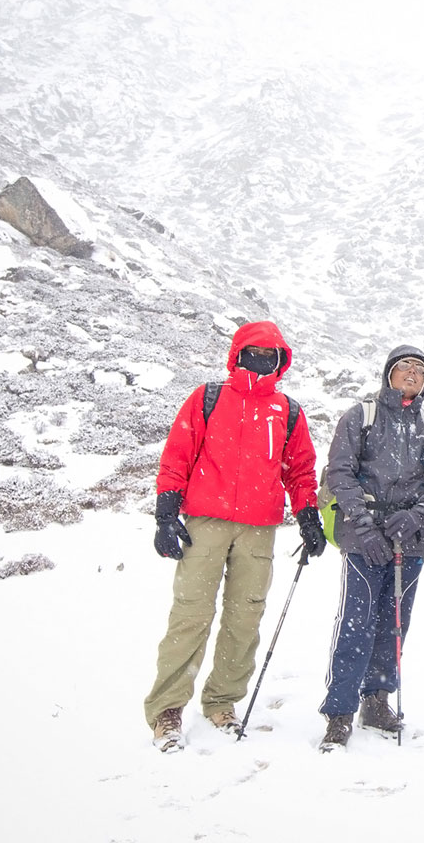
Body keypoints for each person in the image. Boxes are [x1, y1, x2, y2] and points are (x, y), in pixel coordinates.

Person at [143, 320, 324, 753]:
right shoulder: (208, 398)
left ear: (281, 363)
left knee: (245, 617)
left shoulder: (288, 411)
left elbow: (299, 469)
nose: (262, 362)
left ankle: (222, 701)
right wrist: (166, 512)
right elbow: (177, 454)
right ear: (237, 354)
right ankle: (168, 709)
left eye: (271, 356)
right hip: (205, 522)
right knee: (191, 614)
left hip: (260, 529)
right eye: (254, 353)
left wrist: (308, 516)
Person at [318, 345, 424, 751]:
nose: (413, 374)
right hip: (364, 539)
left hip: (409, 539)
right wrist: (364, 525)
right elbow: (341, 473)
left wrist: (418, 513)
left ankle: (376, 700)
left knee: (394, 623)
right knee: (356, 622)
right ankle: (339, 710)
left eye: (420, 370)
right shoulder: (361, 417)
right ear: (388, 374)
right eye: (405, 367)